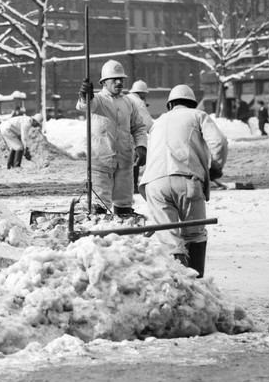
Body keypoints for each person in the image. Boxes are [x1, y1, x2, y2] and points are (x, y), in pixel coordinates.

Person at [140, 84, 228, 277]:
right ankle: (196, 283)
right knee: (195, 235)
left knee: (169, 240)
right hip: (186, 180)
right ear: (193, 104)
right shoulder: (198, 115)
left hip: (154, 184)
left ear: (170, 105)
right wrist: (216, 167)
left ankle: (178, 282)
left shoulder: (158, 122)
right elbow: (219, 142)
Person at [77, 60, 149, 216]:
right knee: (100, 203)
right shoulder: (98, 100)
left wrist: (141, 146)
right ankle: (99, 227)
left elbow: (138, 127)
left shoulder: (129, 103)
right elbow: (86, 105)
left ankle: (124, 225)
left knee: (124, 202)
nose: (119, 82)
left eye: (121, 79)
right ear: (104, 82)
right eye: (114, 79)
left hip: (124, 161)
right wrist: (85, 95)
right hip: (100, 162)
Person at [127, 80, 154, 194]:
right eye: (145, 93)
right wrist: (154, 131)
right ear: (141, 92)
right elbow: (146, 122)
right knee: (135, 161)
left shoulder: (127, 98)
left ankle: (128, 186)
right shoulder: (138, 102)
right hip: (133, 135)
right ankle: (133, 186)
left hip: (122, 134)